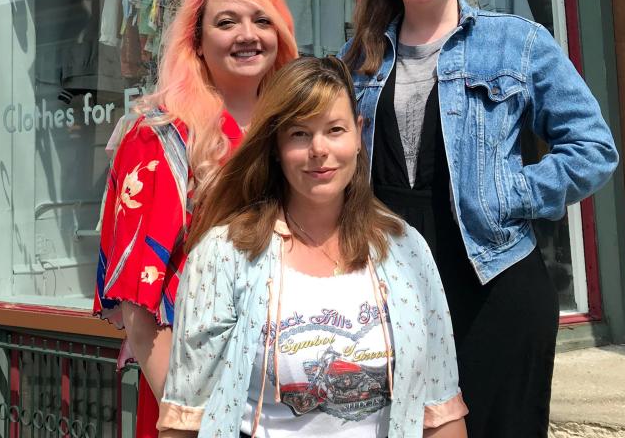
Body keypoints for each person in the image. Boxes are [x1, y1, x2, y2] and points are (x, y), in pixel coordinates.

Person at [340, 0, 619, 438]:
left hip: (493, 278)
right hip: (392, 281)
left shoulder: (516, 42)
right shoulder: (358, 60)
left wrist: (507, 192)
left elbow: (593, 148)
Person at [158, 57, 468, 438]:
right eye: (300, 134)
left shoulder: (405, 249)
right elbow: (185, 419)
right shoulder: (224, 255)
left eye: (334, 130)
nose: (318, 149)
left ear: (358, 135)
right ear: (275, 146)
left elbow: (440, 410)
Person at [94, 0, 298, 438]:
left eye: (262, 19)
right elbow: (140, 313)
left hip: (292, 391)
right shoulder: (161, 138)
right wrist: (192, 423)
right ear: (197, 41)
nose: (247, 35)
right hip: (201, 399)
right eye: (226, 22)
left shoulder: (295, 127)